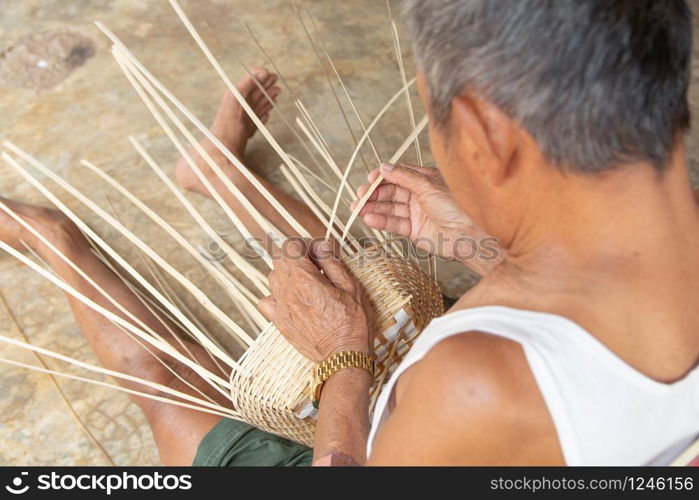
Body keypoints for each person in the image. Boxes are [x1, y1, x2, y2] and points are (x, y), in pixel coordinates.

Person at [1, 0, 698, 466]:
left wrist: (343, 361)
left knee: (164, 381)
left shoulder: (475, 385)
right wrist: (485, 249)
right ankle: (216, 174)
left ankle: (50, 238)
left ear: (485, 132)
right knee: (355, 267)